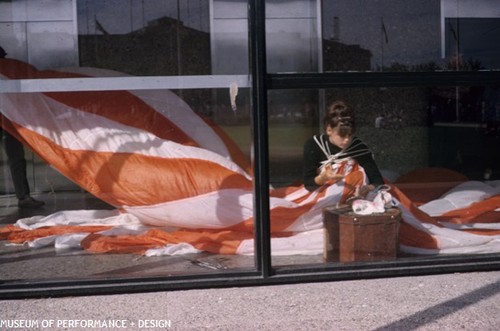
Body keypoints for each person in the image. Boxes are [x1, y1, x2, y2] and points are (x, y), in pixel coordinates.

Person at [303, 100, 384, 193]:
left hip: (356, 195)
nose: (346, 140)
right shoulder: (314, 145)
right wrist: (323, 178)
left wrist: (367, 188)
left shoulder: (358, 148)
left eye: (350, 135)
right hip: (323, 195)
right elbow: (308, 185)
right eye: (342, 135)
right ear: (329, 130)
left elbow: (377, 181)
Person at [0, 46, 45, 208]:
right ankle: (23, 196)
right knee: (17, 159)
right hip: (10, 122)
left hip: (10, 121)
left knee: (17, 159)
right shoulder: (11, 72)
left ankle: (24, 197)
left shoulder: (10, 73)